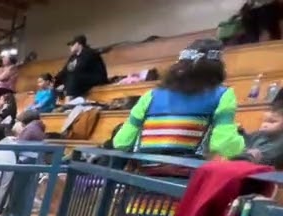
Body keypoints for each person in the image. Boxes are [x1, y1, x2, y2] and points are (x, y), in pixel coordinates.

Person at [111, 39, 245, 160]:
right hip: (189, 179)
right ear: (218, 66)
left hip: (145, 176)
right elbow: (225, 146)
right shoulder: (223, 95)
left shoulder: (150, 96)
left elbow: (122, 142)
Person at [55, 34, 109, 100]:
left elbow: (79, 69)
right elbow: (65, 70)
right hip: (82, 78)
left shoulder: (89, 53)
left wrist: (65, 84)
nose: (70, 47)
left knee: (73, 77)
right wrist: (55, 80)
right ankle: (64, 99)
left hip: (97, 78)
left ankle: (70, 101)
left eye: (72, 44)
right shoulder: (73, 57)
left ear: (78, 44)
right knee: (64, 78)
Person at [243, 95, 283, 168]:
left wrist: (244, 154)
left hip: (267, 174)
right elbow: (244, 143)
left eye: (272, 122)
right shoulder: (258, 134)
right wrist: (240, 133)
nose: (265, 125)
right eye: (264, 121)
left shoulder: (280, 141)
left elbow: (265, 155)